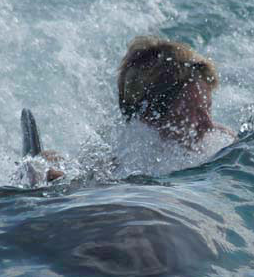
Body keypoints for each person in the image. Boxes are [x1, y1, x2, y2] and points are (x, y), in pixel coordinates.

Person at [15, 36, 235, 186]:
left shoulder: (220, 140)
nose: (207, 124)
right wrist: (44, 174)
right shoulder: (127, 165)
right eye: (191, 113)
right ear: (150, 117)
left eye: (207, 108)